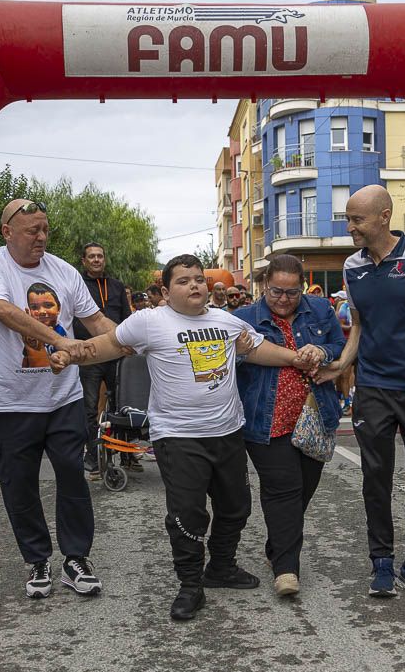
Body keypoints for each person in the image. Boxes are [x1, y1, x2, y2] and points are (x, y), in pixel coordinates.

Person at [52, 254, 319, 620]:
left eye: (198, 279)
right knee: (187, 514)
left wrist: (296, 358)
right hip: (178, 437)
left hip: (228, 433)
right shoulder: (149, 322)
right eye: (183, 280)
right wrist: (70, 355)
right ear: (165, 291)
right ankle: (190, 585)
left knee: (236, 507)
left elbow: (258, 349)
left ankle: (221, 566)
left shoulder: (226, 321)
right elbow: (105, 345)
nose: (194, 285)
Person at [318, 185, 405, 602]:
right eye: (348, 219)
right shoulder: (352, 266)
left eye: (357, 219)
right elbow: (360, 326)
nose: (350, 227)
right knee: (375, 477)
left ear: (384, 216)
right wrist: (342, 364)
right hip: (374, 387)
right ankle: (381, 560)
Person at [0, 198, 114, 599]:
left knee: (72, 476)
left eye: (45, 229)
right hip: (11, 402)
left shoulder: (64, 271)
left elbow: (95, 321)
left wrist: (135, 337)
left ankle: (76, 558)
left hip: (62, 398)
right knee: (19, 485)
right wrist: (59, 340)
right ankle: (37, 559)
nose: (41, 237)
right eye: (32, 230)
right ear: (7, 232)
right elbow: (1, 309)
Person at [234, 254, 345, 596]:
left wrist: (322, 352)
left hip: (314, 415)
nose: (283, 299)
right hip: (265, 420)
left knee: (303, 490)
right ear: (264, 285)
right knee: (284, 489)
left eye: (292, 292)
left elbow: (338, 345)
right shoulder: (243, 319)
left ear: (302, 287)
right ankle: (286, 569)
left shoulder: (320, 310)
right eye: (276, 292)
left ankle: (277, 546)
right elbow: (231, 363)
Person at [73, 242, 132, 477]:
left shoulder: (116, 286)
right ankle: (93, 456)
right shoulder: (77, 285)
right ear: (84, 261)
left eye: (100, 256)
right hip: (90, 355)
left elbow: (127, 318)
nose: (96, 260)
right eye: (91, 257)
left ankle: (127, 454)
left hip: (117, 355)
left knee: (123, 406)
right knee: (89, 408)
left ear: (104, 259)